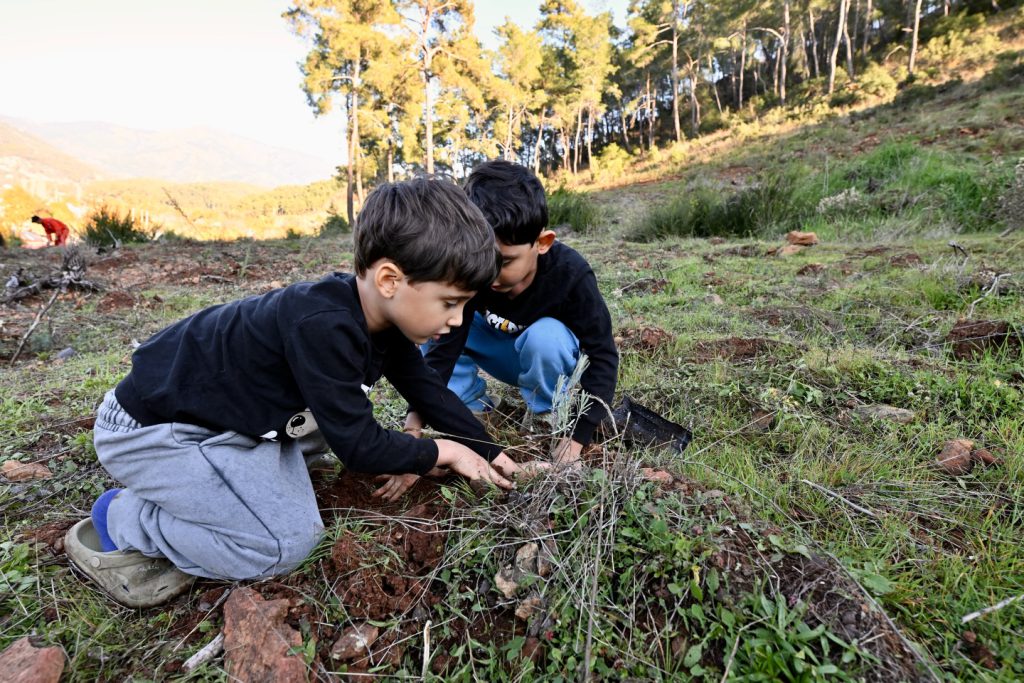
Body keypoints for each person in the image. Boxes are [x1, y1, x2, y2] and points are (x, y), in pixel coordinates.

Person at [64, 177, 528, 608]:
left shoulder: (381, 321)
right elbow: (359, 447)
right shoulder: (322, 324)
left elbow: (429, 393)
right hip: (156, 431)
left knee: (325, 424)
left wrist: (493, 454)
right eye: (450, 303)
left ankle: (234, 484)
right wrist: (440, 451)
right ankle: (125, 517)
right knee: (282, 545)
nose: (455, 320)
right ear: (390, 280)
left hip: (233, 421)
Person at [403, 160, 619, 486]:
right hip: (496, 349)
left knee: (547, 336)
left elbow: (603, 355)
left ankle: (546, 415)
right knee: (440, 323)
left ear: (542, 243)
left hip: (546, 356)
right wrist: (413, 424)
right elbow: (441, 353)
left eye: (504, 262)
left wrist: (578, 438)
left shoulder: (570, 274)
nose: (490, 273)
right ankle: (474, 408)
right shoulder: (474, 273)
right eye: (481, 259)